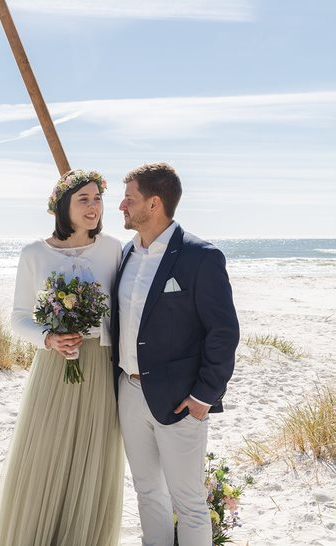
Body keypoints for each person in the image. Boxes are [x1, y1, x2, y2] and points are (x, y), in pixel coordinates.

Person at [0, 170, 124, 545]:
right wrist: (48, 339)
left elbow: (123, 309)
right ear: (62, 205)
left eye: (98, 199)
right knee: (44, 455)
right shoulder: (34, 253)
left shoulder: (114, 248)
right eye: (84, 199)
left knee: (92, 458)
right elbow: (17, 318)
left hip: (98, 364)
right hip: (53, 366)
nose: (93, 207)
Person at [111, 163, 239, 546]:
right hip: (130, 393)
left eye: (129, 199)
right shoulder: (125, 254)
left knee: (189, 502)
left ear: (153, 204)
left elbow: (224, 331)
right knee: (148, 494)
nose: (121, 205)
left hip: (182, 400)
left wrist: (204, 395)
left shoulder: (201, 257)